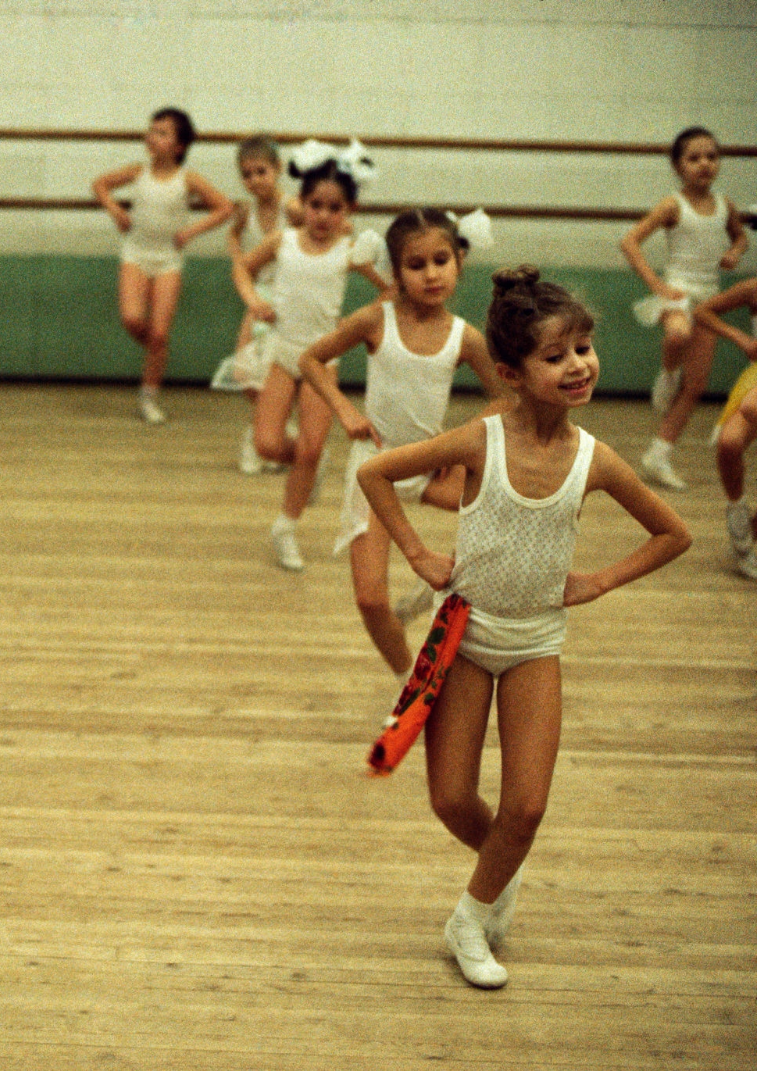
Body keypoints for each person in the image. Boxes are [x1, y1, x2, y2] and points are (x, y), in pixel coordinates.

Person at [357, 266, 691, 990]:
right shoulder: (481, 440)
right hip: (467, 638)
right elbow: (376, 473)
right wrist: (416, 551)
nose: (578, 366)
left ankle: (469, 917)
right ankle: (498, 870)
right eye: (556, 355)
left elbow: (673, 534)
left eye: (584, 348)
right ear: (510, 372)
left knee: (528, 804)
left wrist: (599, 580)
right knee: (450, 797)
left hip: (537, 642)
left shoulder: (594, 459)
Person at [300, 208, 507, 675]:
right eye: (416, 265)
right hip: (376, 469)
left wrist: (455, 444)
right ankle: (406, 679)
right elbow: (311, 360)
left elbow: (505, 398)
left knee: (501, 527)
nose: (431, 274)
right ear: (396, 272)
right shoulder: (375, 320)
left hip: (432, 466)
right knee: (370, 600)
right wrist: (346, 409)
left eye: (441, 260)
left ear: (458, 262)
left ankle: (434, 594)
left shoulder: (465, 337)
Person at [233, 140, 390, 569]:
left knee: (311, 445)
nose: (323, 215)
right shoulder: (282, 240)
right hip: (283, 354)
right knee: (267, 444)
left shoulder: (350, 251)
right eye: (316, 205)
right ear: (301, 202)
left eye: (334, 208)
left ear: (349, 212)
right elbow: (243, 267)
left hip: (322, 362)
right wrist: (252, 300)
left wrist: (362, 323)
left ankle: (285, 527)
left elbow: (390, 291)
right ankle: (310, 466)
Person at [619, 126, 747, 489]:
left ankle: (658, 455)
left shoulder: (726, 206)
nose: (704, 163)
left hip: (710, 299)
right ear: (678, 166)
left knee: (696, 385)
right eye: (694, 158)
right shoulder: (672, 204)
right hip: (677, 293)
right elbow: (630, 241)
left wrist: (735, 251)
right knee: (677, 333)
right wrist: (657, 285)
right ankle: (667, 373)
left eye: (711, 156)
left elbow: (740, 236)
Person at [93, 107, 233, 424]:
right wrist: (115, 210)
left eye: (162, 133)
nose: (152, 137)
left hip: (169, 260)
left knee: (159, 331)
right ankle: (158, 350)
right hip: (136, 254)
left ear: (179, 146)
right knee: (132, 318)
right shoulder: (137, 171)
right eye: (151, 130)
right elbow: (100, 184)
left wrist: (191, 231)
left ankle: (149, 394)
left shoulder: (188, 179)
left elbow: (224, 207)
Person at [212, 135, 302, 473]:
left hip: (290, 298)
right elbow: (234, 235)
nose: (254, 180)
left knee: (282, 373)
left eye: (261, 171)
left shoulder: (291, 208)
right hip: (259, 297)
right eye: (246, 174)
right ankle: (265, 430)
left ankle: (269, 436)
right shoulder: (246, 210)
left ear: (277, 170)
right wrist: (241, 262)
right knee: (245, 373)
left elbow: (315, 238)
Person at [692, 275, 757, 578]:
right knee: (729, 443)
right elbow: (703, 310)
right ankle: (738, 509)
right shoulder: (753, 287)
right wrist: (741, 338)